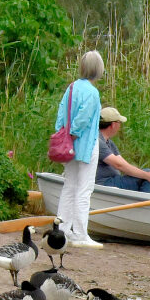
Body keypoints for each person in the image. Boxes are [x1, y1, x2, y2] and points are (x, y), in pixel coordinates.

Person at [54, 50, 105, 248]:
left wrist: (64, 133)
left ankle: (63, 230)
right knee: (84, 189)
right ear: (97, 69)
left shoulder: (72, 87)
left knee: (69, 186)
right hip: (85, 145)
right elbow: (84, 117)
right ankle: (81, 234)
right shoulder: (93, 92)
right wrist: (75, 132)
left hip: (68, 145)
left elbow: (61, 112)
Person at [95, 107, 150, 192]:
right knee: (147, 175)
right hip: (105, 183)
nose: (120, 126)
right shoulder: (98, 142)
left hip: (114, 180)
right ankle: (147, 204)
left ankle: (144, 202)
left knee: (148, 174)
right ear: (113, 125)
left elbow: (125, 165)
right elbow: (119, 165)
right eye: (120, 122)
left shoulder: (109, 143)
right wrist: (148, 176)